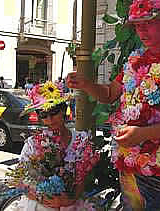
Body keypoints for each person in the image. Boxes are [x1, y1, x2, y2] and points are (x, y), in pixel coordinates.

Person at [67, 0, 160, 210]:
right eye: (137, 25)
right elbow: (109, 94)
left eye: (149, 24)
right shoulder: (135, 62)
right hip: (129, 162)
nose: (142, 31)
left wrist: (142, 134)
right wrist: (85, 84)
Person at [6, 81, 100, 211]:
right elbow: (21, 181)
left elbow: (82, 178)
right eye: (44, 115)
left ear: (63, 110)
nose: (50, 119)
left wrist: (68, 200)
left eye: (54, 112)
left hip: (71, 204)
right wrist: (42, 199)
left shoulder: (81, 139)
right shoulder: (33, 143)